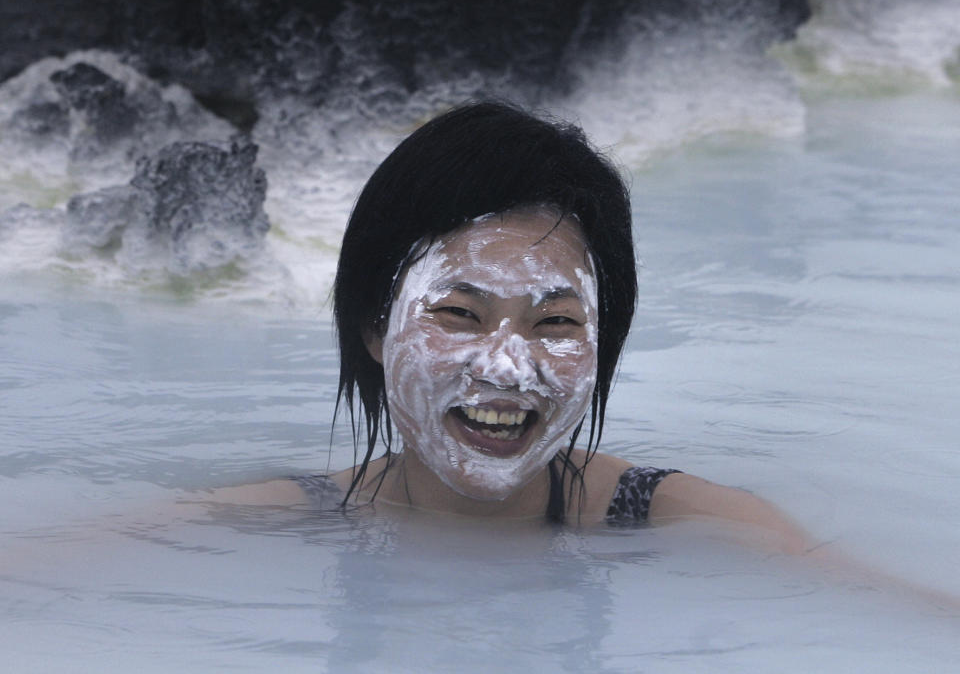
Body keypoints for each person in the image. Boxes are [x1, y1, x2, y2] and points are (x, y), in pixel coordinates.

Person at [220, 101, 816, 549]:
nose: (507, 367)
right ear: (374, 328)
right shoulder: (274, 526)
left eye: (555, 321)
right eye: (459, 314)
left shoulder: (695, 528)